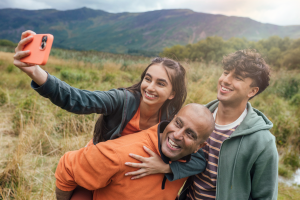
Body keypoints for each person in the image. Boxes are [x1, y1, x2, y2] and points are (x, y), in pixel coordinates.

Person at [13, 31, 207, 195]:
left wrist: (167, 167)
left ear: (172, 93)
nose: (150, 87)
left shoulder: (173, 120)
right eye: (148, 79)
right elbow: (79, 100)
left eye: (161, 83)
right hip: (98, 166)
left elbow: (198, 158)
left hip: (126, 177)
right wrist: (35, 73)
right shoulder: (122, 100)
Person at [55, 104, 215, 200]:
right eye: (178, 124)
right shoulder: (120, 154)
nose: (178, 135)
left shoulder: (188, 159)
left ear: (198, 147)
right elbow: (67, 167)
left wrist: (168, 168)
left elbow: (201, 162)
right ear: (172, 120)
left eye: (190, 134)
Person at [177, 49, 278, 200]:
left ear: (252, 91)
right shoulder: (198, 119)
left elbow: (265, 196)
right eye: (225, 72)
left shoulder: (262, 142)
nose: (225, 80)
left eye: (237, 77)